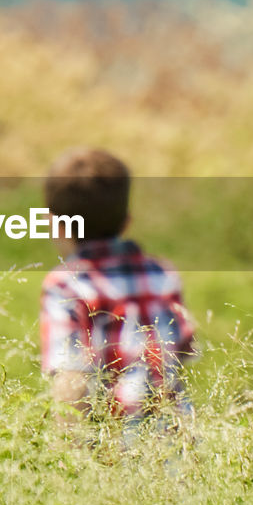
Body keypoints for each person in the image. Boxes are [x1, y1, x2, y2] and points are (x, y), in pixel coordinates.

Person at [39, 148, 195, 434]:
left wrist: (65, 457)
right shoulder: (162, 274)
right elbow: (182, 353)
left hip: (114, 450)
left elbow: (71, 380)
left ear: (55, 224)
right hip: (175, 443)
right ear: (127, 222)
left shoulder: (65, 285)